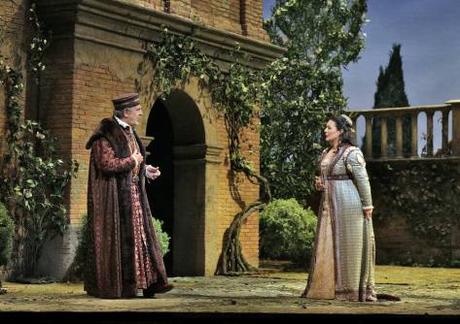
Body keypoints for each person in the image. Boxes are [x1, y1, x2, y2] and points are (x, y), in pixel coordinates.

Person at [84, 92, 173, 298]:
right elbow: (105, 164)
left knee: (140, 239)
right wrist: (133, 161)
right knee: (122, 241)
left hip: (133, 194)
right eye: (137, 110)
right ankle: (120, 286)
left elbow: (131, 160)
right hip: (115, 198)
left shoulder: (131, 133)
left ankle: (148, 283)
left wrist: (145, 169)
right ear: (125, 112)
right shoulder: (105, 135)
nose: (141, 113)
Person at [301, 114, 377, 302]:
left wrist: (367, 205)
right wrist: (319, 184)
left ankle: (348, 290)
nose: (325, 131)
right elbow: (323, 176)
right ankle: (325, 288)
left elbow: (363, 181)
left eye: (329, 128)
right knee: (327, 242)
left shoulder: (352, 153)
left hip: (348, 205)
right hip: (328, 205)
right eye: (325, 128)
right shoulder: (325, 153)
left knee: (347, 245)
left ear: (340, 131)